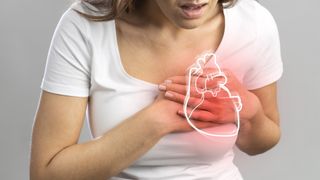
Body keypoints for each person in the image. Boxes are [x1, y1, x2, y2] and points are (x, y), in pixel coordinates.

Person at [29, 0, 283, 179]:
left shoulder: (254, 23)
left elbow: (262, 141)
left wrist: (247, 110)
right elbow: (47, 173)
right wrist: (158, 119)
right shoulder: (86, 25)